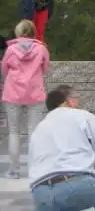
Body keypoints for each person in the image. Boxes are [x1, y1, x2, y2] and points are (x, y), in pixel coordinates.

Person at [28, 85, 95, 211]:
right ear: (68, 101)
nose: (78, 102)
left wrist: (92, 166)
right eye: (76, 98)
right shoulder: (82, 116)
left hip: (40, 194)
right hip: (73, 187)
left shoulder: (39, 128)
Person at [2, 19, 49, 178]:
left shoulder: (11, 49)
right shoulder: (42, 49)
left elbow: (5, 69)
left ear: (18, 32)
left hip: (13, 93)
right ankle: (34, 169)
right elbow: (45, 68)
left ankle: (14, 170)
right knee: (34, 132)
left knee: (14, 131)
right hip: (35, 93)